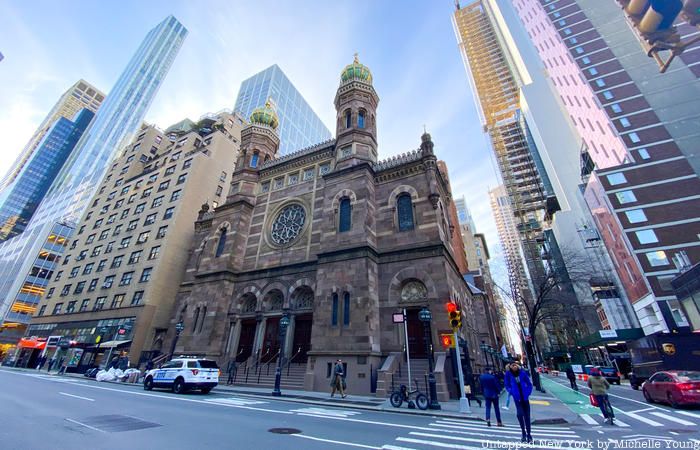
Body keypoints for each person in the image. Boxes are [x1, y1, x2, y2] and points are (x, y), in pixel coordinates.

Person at [504, 363, 533, 443]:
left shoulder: (522, 372)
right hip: (517, 399)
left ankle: (529, 435)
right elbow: (506, 385)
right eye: (512, 365)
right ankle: (523, 432)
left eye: (515, 364)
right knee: (519, 415)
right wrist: (511, 391)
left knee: (527, 417)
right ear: (510, 366)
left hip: (525, 398)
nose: (514, 366)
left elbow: (529, 384)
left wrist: (528, 392)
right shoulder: (508, 374)